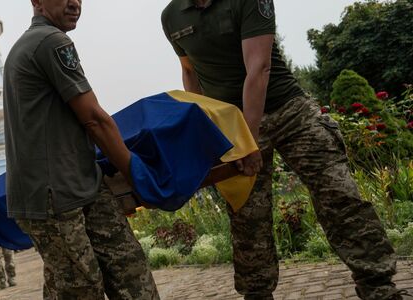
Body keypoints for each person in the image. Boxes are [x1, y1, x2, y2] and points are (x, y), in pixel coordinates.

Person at [160, 1, 407, 299]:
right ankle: (257, 295)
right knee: (247, 217)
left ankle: (379, 287)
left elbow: (259, 67)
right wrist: (204, 130)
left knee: (339, 195)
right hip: (232, 124)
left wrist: (250, 140)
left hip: (290, 112)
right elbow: (190, 73)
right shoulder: (171, 16)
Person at [3, 1, 159, 299]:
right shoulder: (50, 41)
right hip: (55, 197)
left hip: (81, 181)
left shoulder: (32, 44)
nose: (75, 3)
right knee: (81, 287)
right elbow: (95, 120)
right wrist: (136, 173)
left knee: (126, 265)